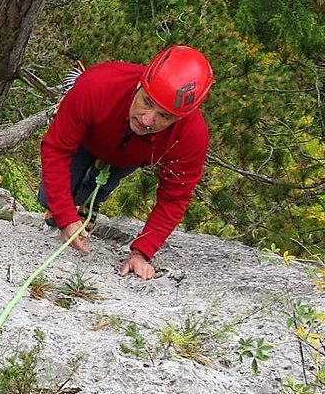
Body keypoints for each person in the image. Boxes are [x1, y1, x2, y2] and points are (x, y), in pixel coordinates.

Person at [39, 45, 213, 280]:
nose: (147, 120)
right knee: (48, 199)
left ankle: (91, 203)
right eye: (147, 102)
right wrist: (65, 215)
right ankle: (76, 205)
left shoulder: (191, 136)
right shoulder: (98, 85)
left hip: (133, 154)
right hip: (88, 137)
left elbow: (174, 198)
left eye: (164, 116)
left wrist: (142, 252)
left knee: (103, 184)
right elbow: (57, 149)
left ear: (180, 118)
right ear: (141, 84)